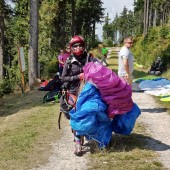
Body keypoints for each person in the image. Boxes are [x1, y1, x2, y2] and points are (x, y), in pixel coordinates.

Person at [60, 35, 97, 156]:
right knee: (74, 115)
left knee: (88, 113)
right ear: (71, 48)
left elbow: (99, 69)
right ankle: (77, 138)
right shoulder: (69, 61)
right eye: (75, 46)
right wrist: (77, 77)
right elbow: (63, 77)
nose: (78, 47)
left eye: (80, 45)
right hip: (73, 92)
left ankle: (82, 138)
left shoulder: (89, 58)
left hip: (88, 91)